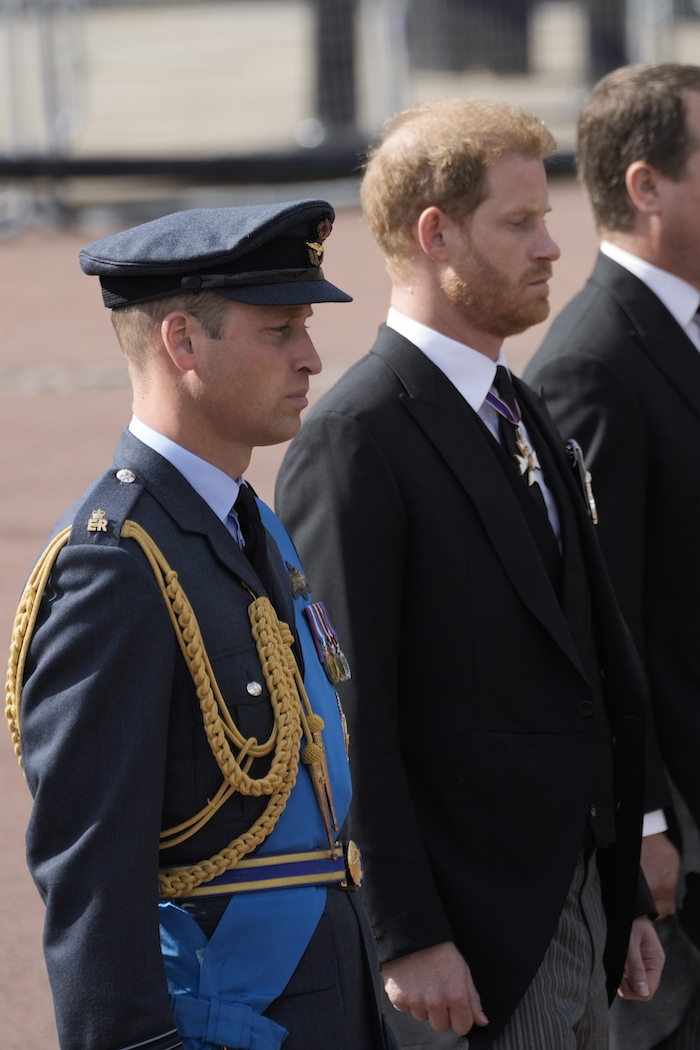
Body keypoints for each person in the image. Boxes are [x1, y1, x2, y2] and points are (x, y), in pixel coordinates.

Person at [274, 98, 666, 1050]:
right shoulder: (356, 440)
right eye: (520, 222)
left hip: (573, 910)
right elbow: (346, 714)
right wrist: (407, 934)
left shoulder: (521, 409)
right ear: (435, 233)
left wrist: (621, 893)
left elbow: (590, 660)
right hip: (474, 940)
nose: (551, 248)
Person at [5, 200, 399, 1050]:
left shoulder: (252, 525)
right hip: (226, 1021)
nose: (312, 357)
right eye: (279, 330)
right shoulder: (114, 564)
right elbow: (92, 872)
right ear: (183, 342)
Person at [524, 63, 700, 1050]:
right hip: (678, 844)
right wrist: (640, 825)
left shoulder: (680, 334)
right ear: (645, 187)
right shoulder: (593, 362)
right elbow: (602, 616)